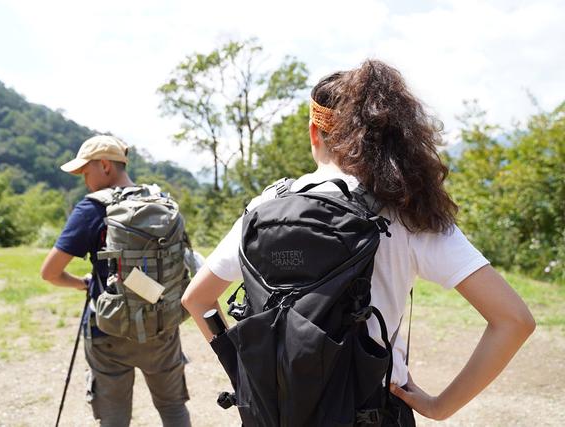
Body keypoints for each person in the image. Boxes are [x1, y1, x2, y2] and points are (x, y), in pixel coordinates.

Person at [181, 60, 535, 423]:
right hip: (371, 412)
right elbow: (513, 320)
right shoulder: (404, 212)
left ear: (314, 133)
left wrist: (246, 375)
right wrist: (440, 407)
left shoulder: (267, 204)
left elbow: (197, 299)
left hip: (277, 413)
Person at [41, 135, 191, 427]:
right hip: (162, 324)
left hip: (109, 330)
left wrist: (82, 284)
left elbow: (50, 273)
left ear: (106, 166)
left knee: (114, 420)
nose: (85, 180)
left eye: (86, 172)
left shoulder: (92, 208)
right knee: (173, 408)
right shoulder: (161, 202)